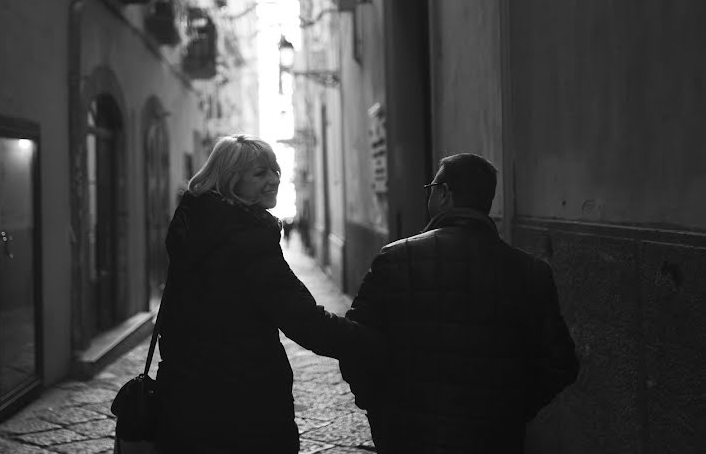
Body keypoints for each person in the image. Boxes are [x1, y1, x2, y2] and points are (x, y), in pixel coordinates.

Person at [341, 153, 579, 453]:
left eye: (431, 188)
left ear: (443, 193)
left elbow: (354, 343)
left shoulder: (395, 259)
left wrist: (379, 408)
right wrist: (513, 411)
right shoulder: (531, 272)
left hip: (409, 436)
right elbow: (561, 364)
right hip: (495, 438)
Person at [155, 134, 378, 454]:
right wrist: (368, 342)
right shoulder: (247, 241)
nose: (273, 179)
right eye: (260, 173)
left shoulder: (194, 227)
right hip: (243, 403)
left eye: (275, 170)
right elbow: (304, 319)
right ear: (232, 181)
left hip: (184, 397)